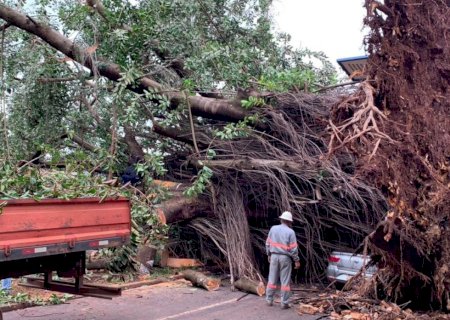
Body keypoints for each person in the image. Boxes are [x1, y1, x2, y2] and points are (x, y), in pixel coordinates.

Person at [265, 211, 300, 309]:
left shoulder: (273, 229)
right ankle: (284, 303)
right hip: (285, 258)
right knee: (285, 281)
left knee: (272, 279)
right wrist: (296, 260)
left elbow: (267, 243)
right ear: (289, 222)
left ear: (281, 219)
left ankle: (269, 299)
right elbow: (293, 249)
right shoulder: (290, 232)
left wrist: (269, 254)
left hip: (274, 256)